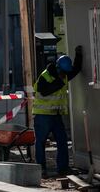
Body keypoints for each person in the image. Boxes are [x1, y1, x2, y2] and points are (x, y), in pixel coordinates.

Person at [32, 45, 83, 176]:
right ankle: (41, 168)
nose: (65, 75)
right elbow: (44, 91)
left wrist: (78, 55)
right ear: (58, 68)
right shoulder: (45, 76)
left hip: (56, 115)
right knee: (41, 142)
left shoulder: (64, 74)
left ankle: (63, 168)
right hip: (42, 115)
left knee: (62, 141)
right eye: (63, 73)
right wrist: (59, 83)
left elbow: (76, 70)